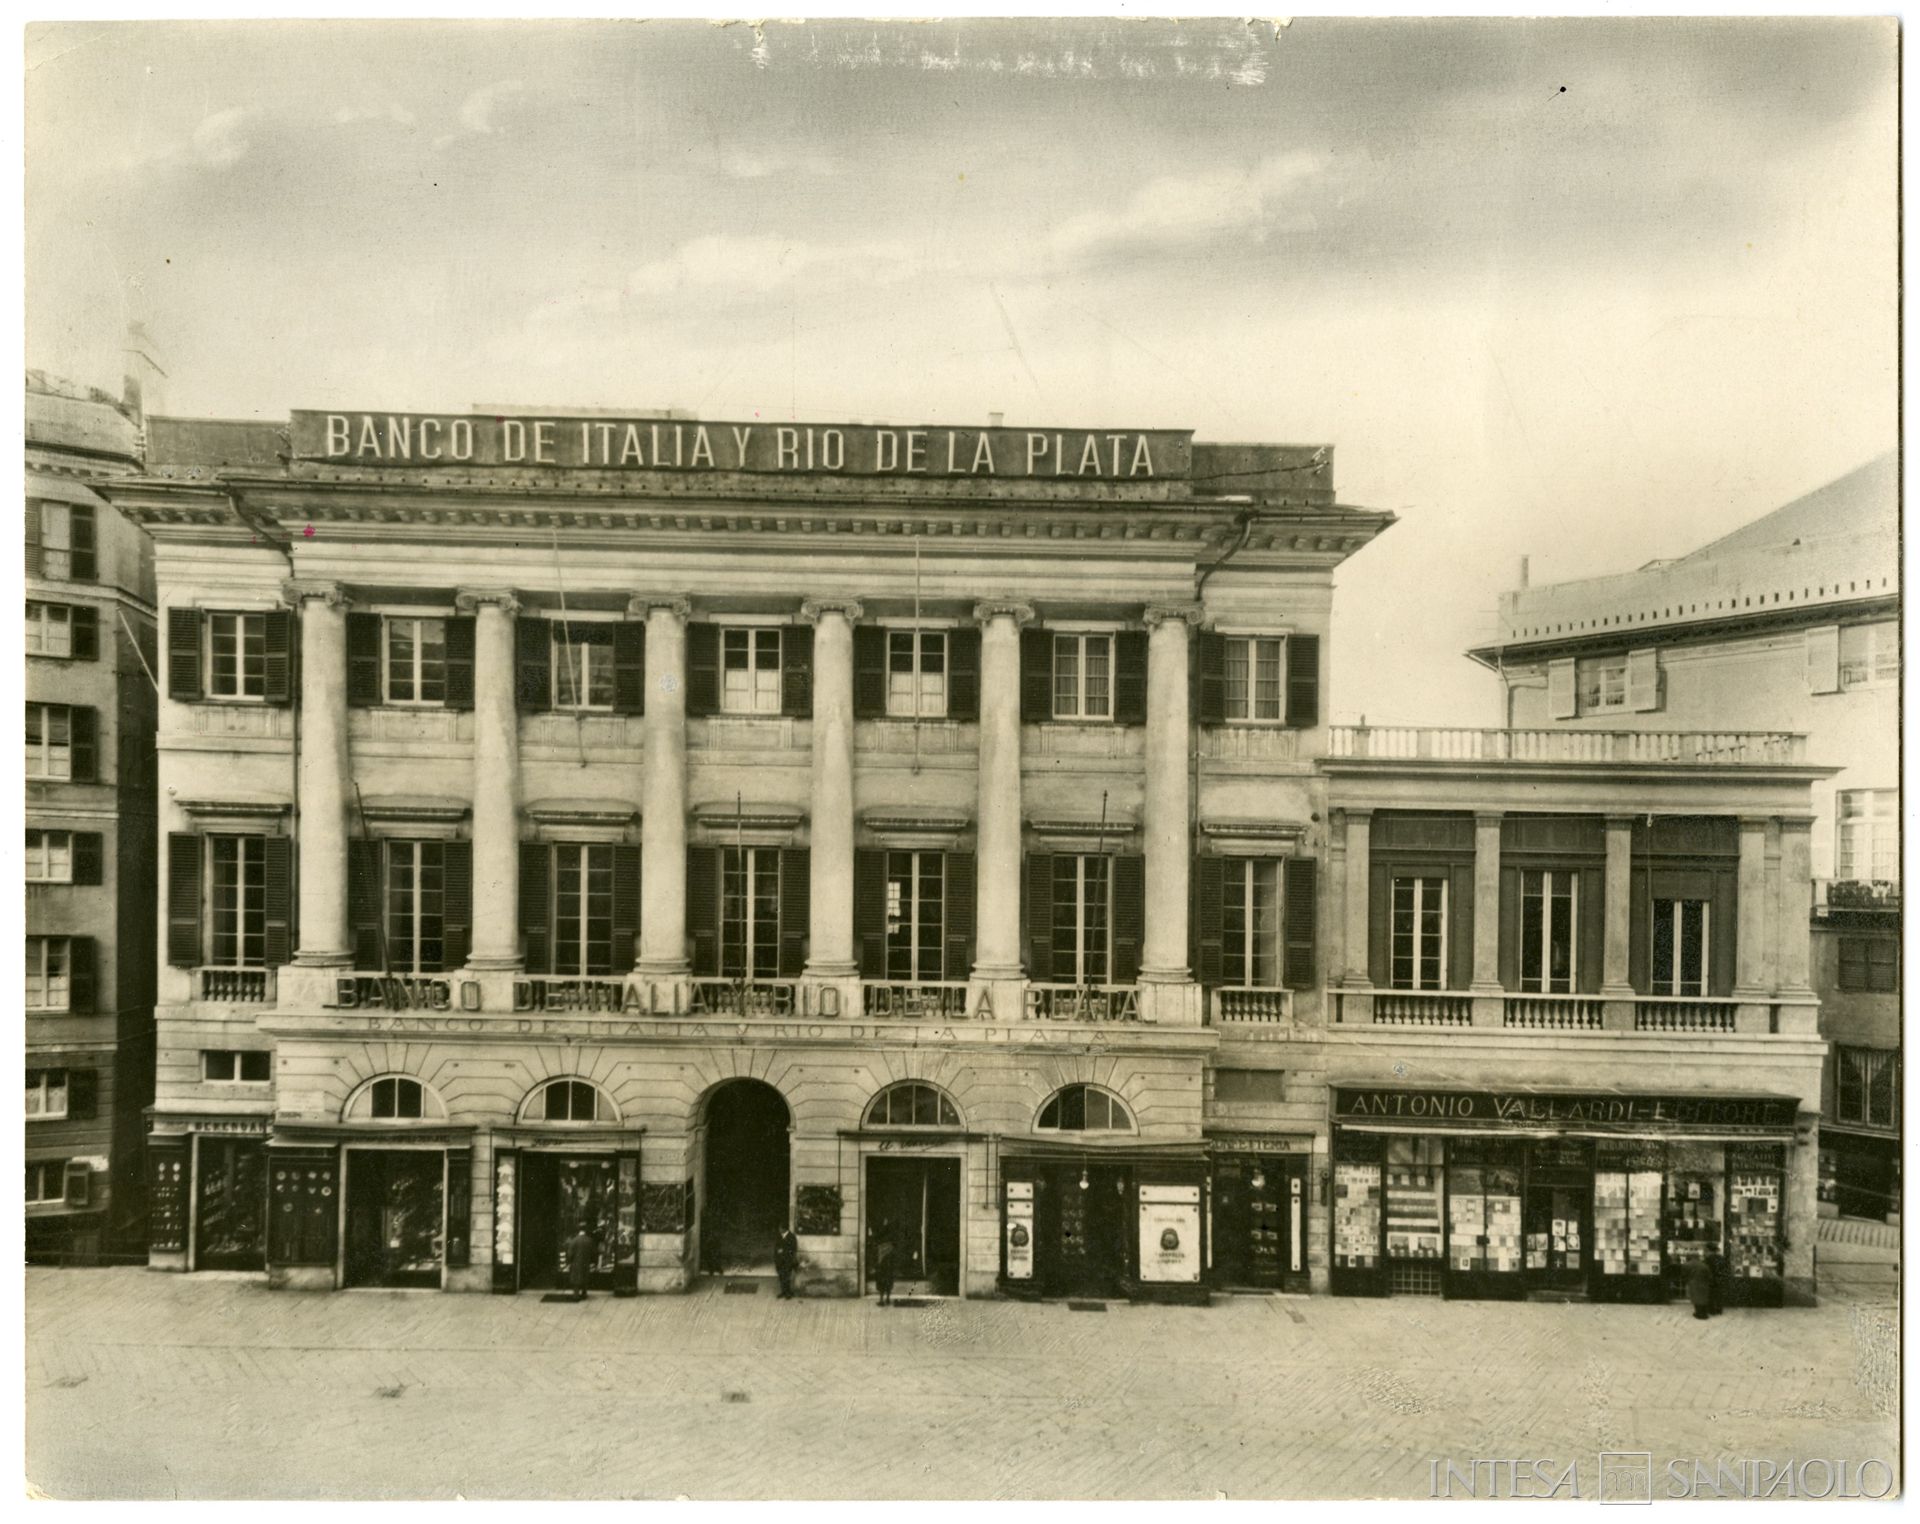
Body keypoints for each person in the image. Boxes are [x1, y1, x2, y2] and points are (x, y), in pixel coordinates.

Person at [566, 1224, 596, 1303]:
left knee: (576, 1279)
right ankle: (584, 1293)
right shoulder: (589, 1240)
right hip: (586, 1262)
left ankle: (576, 1295)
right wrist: (592, 1261)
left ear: (578, 1230)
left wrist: (569, 1261)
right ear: (586, 1230)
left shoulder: (574, 1240)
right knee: (585, 1277)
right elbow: (593, 1252)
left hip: (576, 1263)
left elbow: (570, 1253)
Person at [773, 1225, 799, 1300]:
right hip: (779, 1261)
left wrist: (782, 1251)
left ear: (785, 1229)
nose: (779, 1230)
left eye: (780, 1228)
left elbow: (793, 1249)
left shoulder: (792, 1237)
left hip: (787, 1261)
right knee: (781, 1277)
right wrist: (777, 1254)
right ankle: (783, 1292)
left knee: (787, 1277)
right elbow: (776, 1246)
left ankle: (788, 1293)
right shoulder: (779, 1236)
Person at [1686, 1253, 1713, 1321]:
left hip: (1693, 1283)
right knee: (1703, 1298)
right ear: (1698, 1257)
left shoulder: (1687, 1264)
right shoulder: (1704, 1265)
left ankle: (1698, 1313)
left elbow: (1684, 1275)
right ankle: (1704, 1314)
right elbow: (1710, 1276)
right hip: (1704, 1283)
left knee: (1696, 1298)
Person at [874, 1229, 897, 1308]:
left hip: (882, 1269)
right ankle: (887, 1299)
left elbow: (879, 1260)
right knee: (888, 1284)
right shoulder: (891, 1248)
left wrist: (877, 1267)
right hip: (889, 1269)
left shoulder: (881, 1248)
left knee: (881, 1285)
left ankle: (881, 1300)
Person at [1706, 1248, 1729, 1317]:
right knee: (1719, 1294)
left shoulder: (1708, 1258)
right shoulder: (1722, 1258)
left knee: (1711, 1295)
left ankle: (1712, 1310)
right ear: (1717, 1251)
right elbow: (1725, 1268)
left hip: (1711, 1279)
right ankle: (1719, 1310)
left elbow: (1707, 1268)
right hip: (1720, 1279)